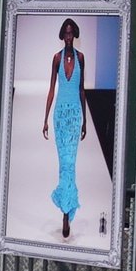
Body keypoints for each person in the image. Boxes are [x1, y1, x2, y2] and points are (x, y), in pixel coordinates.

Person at [39, 18, 90, 239]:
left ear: (75, 34)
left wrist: (86, 120)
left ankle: (66, 210)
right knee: (64, 164)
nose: (69, 36)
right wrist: (45, 119)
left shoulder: (80, 58)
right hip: (60, 115)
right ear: (63, 35)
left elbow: (81, 90)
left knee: (71, 163)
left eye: (71, 33)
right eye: (66, 33)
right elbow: (51, 89)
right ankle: (66, 212)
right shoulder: (56, 58)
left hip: (75, 115)